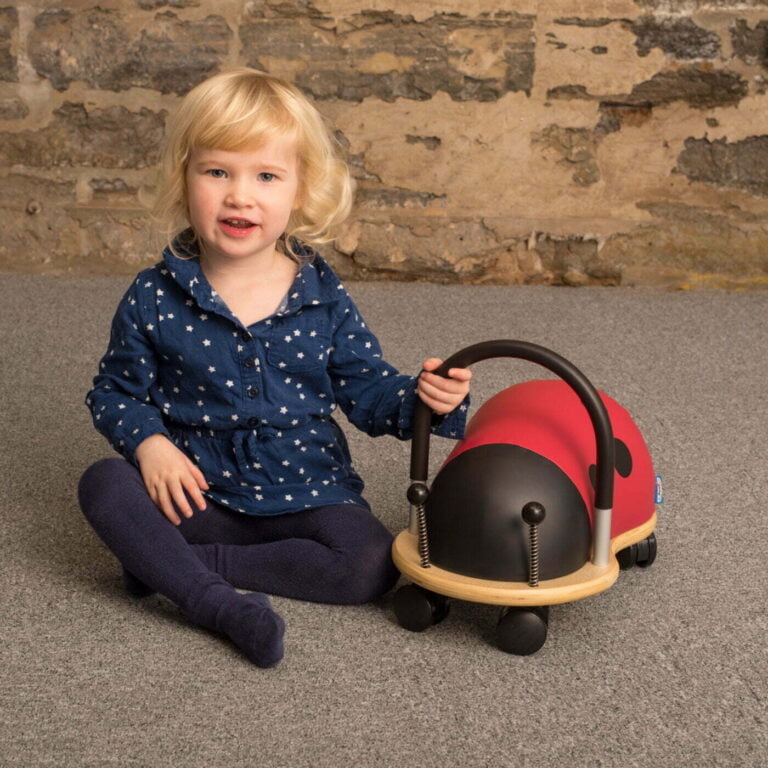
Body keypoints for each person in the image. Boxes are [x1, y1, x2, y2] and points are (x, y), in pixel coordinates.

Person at [78, 68, 472, 668]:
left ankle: (172, 569)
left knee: (370, 561)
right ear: (184, 179)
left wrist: (425, 398)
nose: (241, 195)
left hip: (306, 489)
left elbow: (367, 389)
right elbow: (114, 392)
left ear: (299, 191)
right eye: (217, 172)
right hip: (197, 495)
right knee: (104, 483)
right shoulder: (153, 295)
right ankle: (217, 605)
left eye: (266, 176)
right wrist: (151, 444)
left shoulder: (321, 293)